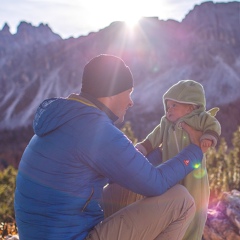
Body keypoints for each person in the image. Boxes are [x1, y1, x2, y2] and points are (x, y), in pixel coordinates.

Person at [14, 54, 204, 240]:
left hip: (53, 230)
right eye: (128, 93)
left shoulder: (70, 117)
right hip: (73, 235)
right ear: (112, 93)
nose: (131, 101)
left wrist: (163, 152)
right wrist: (195, 150)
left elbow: (132, 171)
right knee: (181, 201)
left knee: (127, 187)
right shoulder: (93, 129)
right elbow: (155, 184)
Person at [136, 79, 221, 240]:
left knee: (196, 204)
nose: (169, 110)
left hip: (194, 174)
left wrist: (208, 136)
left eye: (174, 106)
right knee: (172, 203)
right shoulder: (166, 123)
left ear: (190, 106)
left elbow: (213, 124)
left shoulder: (199, 118)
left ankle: (191, 236)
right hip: (171, 171)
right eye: (167, 107)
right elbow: (154, 137)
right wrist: (143, 148)